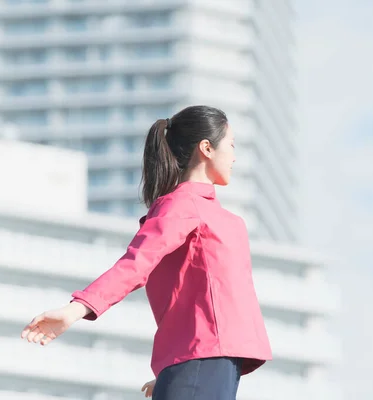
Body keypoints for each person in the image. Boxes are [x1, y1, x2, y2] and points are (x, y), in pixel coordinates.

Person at [21, 105, 272, 400]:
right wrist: (75, 310)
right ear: (206, 148)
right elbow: (136, 264)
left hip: (211, 364)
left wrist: (177, 372)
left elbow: (189, 291)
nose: (234, 156)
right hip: (201, 363)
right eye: (231, 145)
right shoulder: (183, 205)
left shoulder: (216, 216)